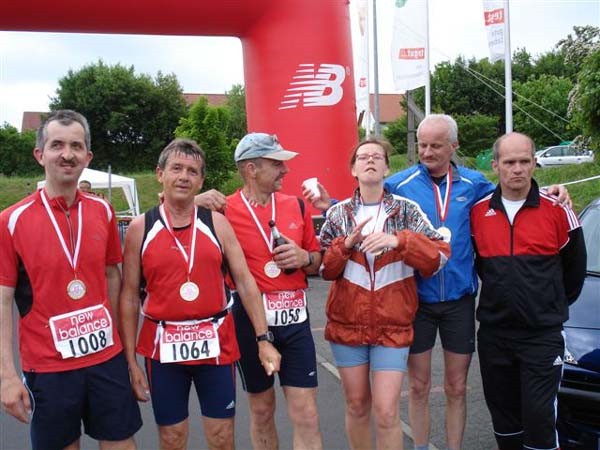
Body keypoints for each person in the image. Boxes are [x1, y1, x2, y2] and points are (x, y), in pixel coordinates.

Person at [304, 114, 571, 450]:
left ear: (453, 146)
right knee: (419, 386)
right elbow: (366, 202)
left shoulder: (475, 184)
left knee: (456, 387)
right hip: (418, 299)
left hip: (460, 299)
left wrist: (550, 191)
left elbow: (512, 192)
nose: (427, 152)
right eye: (422, 145)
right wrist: (329, 204)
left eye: (436, 145)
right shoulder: (401, 183)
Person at [119, 138, 280, 450]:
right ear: (160, 174)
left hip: (214, 342)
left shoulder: (217, 223)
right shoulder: (141, 227)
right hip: (163, 347)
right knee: (172, 438)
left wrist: (263, 339)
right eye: (176, 168)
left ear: (201, 181)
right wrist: (130, 362)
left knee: (221, 438)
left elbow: (245, 282)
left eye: (192, 171)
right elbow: (128, 296)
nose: (184, 176)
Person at [0, 109, 142, 450]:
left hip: (105, 357)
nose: (67, 154)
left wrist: (126, 354)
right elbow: (3, 300)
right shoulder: (10, 221)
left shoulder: (103, 211)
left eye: (76, 146)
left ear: (88, 157)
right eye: (57, 145)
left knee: (122, 444)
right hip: (49, 366)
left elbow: (112, 276)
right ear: (40, 154)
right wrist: (6, 375)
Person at [318, 139, 450, 450]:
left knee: (387, 411)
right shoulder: (338, 214)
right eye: (363, 157)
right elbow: (324, 270)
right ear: (353, 169)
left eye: (377, 157)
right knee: (356, 406)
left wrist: (399, 241)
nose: (370, 161)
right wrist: (345, 246)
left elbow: (439, 257)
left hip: (392, 327)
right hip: (347, 327)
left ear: (387, 168)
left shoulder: (406, 210)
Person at [470, 132, 586, 450]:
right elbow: (481, 266)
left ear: (535, 163)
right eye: (509, 162)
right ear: (495, 166)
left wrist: (546, 305)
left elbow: (574, 271)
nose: (517, 169)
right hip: (495, 334)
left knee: (539, 420)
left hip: (541, 336)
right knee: (505, 423)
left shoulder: (558, 209)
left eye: (524, 161)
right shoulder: (478, 213)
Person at [207, 132, 323, 450]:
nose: (285, 170)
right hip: (248, 319)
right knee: (261, 410)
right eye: (277, 164)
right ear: (251, 169)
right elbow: (172, 218)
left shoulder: (296, 205)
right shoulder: (223, 210)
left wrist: (305, 257)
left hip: (295, 318)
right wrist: (195, 201)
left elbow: (317, 262)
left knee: (307, 413)